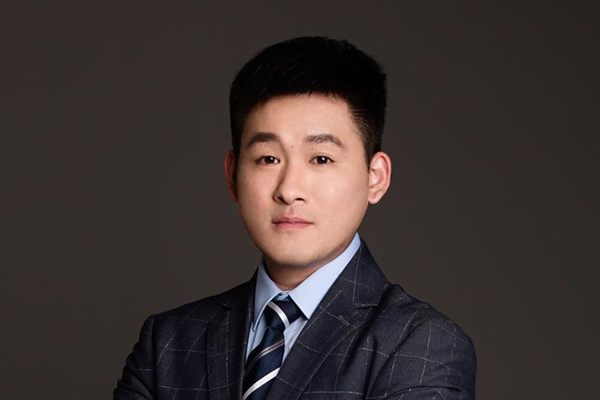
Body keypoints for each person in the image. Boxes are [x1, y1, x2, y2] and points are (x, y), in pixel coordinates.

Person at [114, 36, 476, 400]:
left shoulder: (422, 345)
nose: (289, 190)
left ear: (375, 177)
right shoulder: (168, 342)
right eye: (268, 158)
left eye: (321, 159)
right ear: (232, 175)